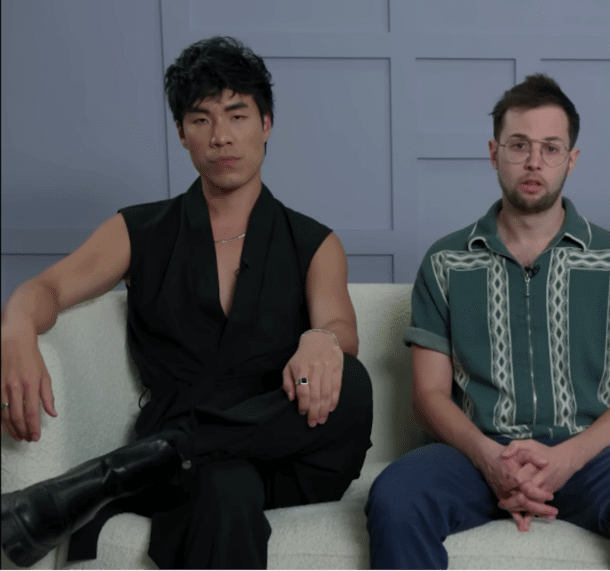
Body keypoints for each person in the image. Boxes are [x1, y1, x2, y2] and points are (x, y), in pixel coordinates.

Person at [0, 36, 373, 569]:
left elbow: (339, 323)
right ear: (181, 134)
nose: (221, 136)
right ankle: (159, 457)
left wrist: (322, 341)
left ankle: (115, 471)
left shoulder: (313, 241)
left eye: (237, 115)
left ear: (266, 125)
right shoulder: (140, 230)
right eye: (201, 120)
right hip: (183, 468)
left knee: (353, 379)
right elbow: (48, 289)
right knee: (224, 487)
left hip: (291, 448)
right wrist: (15, 330)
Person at [363, 73, 610, 569]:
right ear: (494, 152)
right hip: (475, 455)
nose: (534, 162)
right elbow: (428, 396)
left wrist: (564, 460)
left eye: (551, 148)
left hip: (592, 456)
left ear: (571, 159)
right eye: (519, 145)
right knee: (396, 495)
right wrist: (489, 459)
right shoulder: (445, 261)